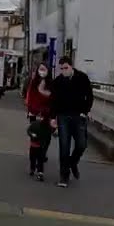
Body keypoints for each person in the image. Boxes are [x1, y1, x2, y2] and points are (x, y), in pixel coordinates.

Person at [48, 56, 93, 188]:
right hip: (63, 116)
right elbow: (53, 101)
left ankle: (73, 162)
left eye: (66, 68)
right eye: (61, 69)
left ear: (71, 66)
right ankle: (64, 175)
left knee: (81, 144)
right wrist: (52, 117)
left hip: (79, 116)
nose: (64, 71)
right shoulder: (58, 82)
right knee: (64, 146)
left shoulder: (82, 78)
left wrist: (85, 111)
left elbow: (89, 96)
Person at [24, 63, 53, 180]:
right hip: (35, 115)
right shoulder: (33, 83)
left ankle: (40, 160)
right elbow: (29, 99)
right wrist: (33, 111)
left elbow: (53, 99)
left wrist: (48, 113)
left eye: (44, 69)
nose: (41, 71)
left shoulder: (51, 85)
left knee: (45, 141)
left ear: (48, 71)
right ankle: (35, 166)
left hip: (47, 116)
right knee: (35, 142)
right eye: (40, 69)